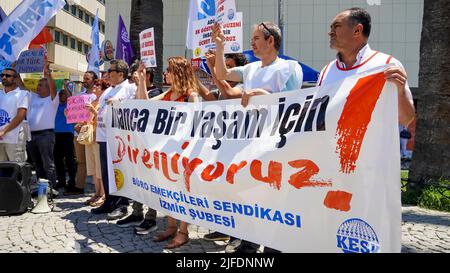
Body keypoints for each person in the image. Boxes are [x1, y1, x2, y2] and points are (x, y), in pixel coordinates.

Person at [213, 21, 303, 253]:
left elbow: (292, 103)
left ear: (270, 40)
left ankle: (274, 246)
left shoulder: (290, 67)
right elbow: (223, 74)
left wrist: (261, 94)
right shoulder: (251, 69)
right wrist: (220, 47)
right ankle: (249, 241)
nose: (251, 43)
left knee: (274, 196)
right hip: (251, 141)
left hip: (278, 144)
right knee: (251, 192)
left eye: (255, 38)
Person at [136, 56, 199, 249]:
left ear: (179, 72)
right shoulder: (167, 94)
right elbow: (144, 103)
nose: (166, 74)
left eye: (169, 70)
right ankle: (171, 226)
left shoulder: (191, 95)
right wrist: (140, 81)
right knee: (168, 190)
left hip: (184, 152)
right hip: (166, 153)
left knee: (182, 192)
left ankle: (183, 231)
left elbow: (196, 125)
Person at [318, 7, 415, 126]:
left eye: (337, 26)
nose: (330, 32)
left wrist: (400, 92)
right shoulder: (326, 71)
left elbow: (406, 120)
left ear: (357, 31)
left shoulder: (387, 65)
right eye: (331, 27)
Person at [197, 52, 247, 252]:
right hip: (222, 144)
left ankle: (239, 235)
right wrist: (196, 78)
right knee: (222, 191)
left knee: (237, 193)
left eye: (228, 66)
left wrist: (213, 69)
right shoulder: (221, 84)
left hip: (239, 146)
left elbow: (227, 93)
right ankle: (224, 228)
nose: (223, 68)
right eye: (222, 65)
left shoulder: (243, 86)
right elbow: (210, 98)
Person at [115, 62, 159, 235]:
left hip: (150, 146)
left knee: (151, 182)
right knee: (137, 180)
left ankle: (151, 217)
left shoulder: (156, 93)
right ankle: (137, 212)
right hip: (136, 145)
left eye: (138, 73)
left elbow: (144, 106)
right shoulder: (136, 92)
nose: (134, 76)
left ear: (146, 75)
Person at [91, 60, 135, 219]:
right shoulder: (108, 90)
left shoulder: (130, 88)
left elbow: (135, 105)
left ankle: (122, 204)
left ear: (121, 74)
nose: (108, 74)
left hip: (118, 139)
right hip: (103, 136)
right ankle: (109, 201)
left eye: (111, 71)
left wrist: (119, 102)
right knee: (106, 171)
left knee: (119, 171)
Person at [65, 71, 98, 195]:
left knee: (94, 162)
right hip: (78, 132)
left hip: (91, 132)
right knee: (80, 161)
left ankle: (99, 190)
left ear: (94, 81)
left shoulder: (97, 96)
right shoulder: (79, 95)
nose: (84, 80)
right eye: (84, 78)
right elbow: (74, 114)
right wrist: (75, 125)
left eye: (87, 78)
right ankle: (79, 187)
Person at [26, 62, 59, 191]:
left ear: (47, 87)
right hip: (32, 135)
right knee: (37, 165)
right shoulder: (33, 97)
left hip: (46, 135)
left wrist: (48, 74)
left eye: (40, 85)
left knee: (48, 164)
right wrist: (14, 71)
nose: (37, 87)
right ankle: (42, 190)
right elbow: (21, 86)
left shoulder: (52, 99)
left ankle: (52, 189)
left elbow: (53, 88)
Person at [83, 78, 110, 207]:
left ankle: (104, 194)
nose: (94, 87)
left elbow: (106, 118)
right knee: (93, 169)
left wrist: (93, 111)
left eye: (98, 85)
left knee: (100, 168)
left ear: (104, 88)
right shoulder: (93, 101)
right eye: (94, 85)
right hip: (90, 138)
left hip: (99, 138)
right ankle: (97, 193)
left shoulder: (104, 102)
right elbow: (87, 120)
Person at [0, 68, 29, 162]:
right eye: (2, 75)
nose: (4, 77)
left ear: (16, 79)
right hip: (1, 139)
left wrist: (4, 131)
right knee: (2, 172)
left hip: (14, 139)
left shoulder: (22, 94)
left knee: (17, 170)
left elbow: (20, 116)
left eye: (7, 76)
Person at [53, 80, 77, 190]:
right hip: (56, 134)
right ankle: (61, 180)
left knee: (69, 158)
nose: (61, 96)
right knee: (57, 159)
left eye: (63, 94)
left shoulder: (70, 105)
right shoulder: (56, 105)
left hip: (67, 134)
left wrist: (65, 87)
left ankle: (72, 180)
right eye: (60, 94)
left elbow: (70, 97)